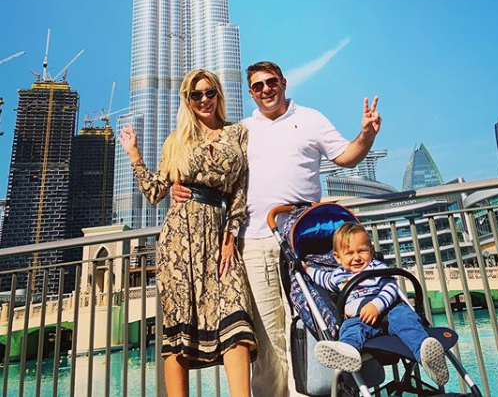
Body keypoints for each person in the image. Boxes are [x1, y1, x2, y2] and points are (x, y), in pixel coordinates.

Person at [173, 60, 381, 397]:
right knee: (267, 335)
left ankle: (313, 391)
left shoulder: (310, 119)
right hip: (255, 241)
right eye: (258, 86)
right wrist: (179, 186)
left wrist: (367, 134)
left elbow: (346, 156)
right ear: (251, 93)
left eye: (271, 82)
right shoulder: (240, 130)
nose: (266, 90)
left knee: (310, 322)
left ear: (283, 83)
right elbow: (207, 165)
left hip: (305, 241)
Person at [119, 69, 256, 397]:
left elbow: (240, 191)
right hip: (179, 240)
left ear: (219, 94)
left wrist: (230, 236)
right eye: (196, 95)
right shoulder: (176, 140)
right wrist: (135, 155)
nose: (204, 99)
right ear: (188, 100)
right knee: (179, 327)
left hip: (219, 234)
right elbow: (155, 192)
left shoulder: (238, 133)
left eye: (210, 92)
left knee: (235, 316)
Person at [306, 222, 449, 387]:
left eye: (362, 251)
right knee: (350, 328)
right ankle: (348, 351)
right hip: (361, 319)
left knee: (405, 318)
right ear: (337, 257)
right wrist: (306, 269)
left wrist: (376, 305)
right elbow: (322, 278)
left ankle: (425, 354)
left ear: (371, 251)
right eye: (349, 253)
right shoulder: (336, 276)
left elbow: (391, 287)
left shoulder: (377, 268)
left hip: (389, 312)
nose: (356, 257)